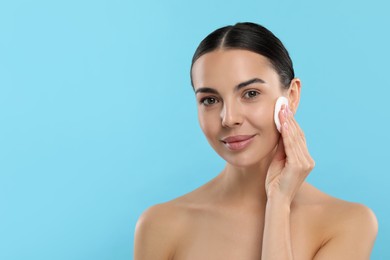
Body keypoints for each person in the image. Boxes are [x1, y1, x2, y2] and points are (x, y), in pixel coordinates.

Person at [133, 22, 378, 259]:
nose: (229, 118)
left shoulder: (348, 223)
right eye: (209, 100)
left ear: (291, 96)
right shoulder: (160, 224)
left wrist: (279, 204)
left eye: (250, 94)